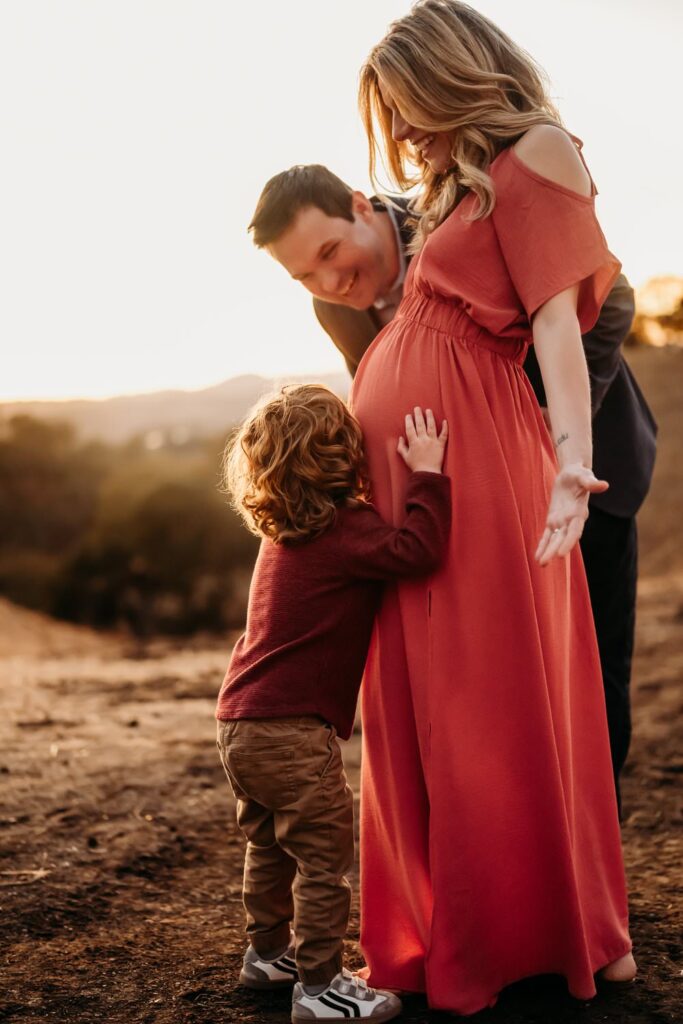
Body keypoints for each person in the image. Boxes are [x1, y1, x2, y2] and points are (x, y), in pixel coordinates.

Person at [341, 0, 633, 1013]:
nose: (406, 136)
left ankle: (544, 931)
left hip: (482, 461)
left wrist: (570, 458)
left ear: (454, 73)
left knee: (485, 697)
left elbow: (554, 320)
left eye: (410, 109)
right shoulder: (452, 186)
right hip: (419, 468)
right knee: (428, 700)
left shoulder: (538, 151)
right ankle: (454, 924)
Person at [248, 166, 656, 815]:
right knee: (506, 681)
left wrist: (552, 421)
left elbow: (614, 300)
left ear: (360, 206)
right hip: (472, 508)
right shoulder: (333, 304)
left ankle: (587, 838)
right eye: (304, 276)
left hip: (583, 478)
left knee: (589, 671)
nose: (328, 284)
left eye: (329, 254)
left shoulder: (464, 220)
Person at [215, 384, 450, 1023]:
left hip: (239, 721)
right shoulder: (346, 530)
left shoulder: (281, 533)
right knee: (322, 859)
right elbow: (417, 551)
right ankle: (320, 988)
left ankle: (267, 954)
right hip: (293, 728)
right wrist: (427, 475)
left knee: (267, 844)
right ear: (348, 456)